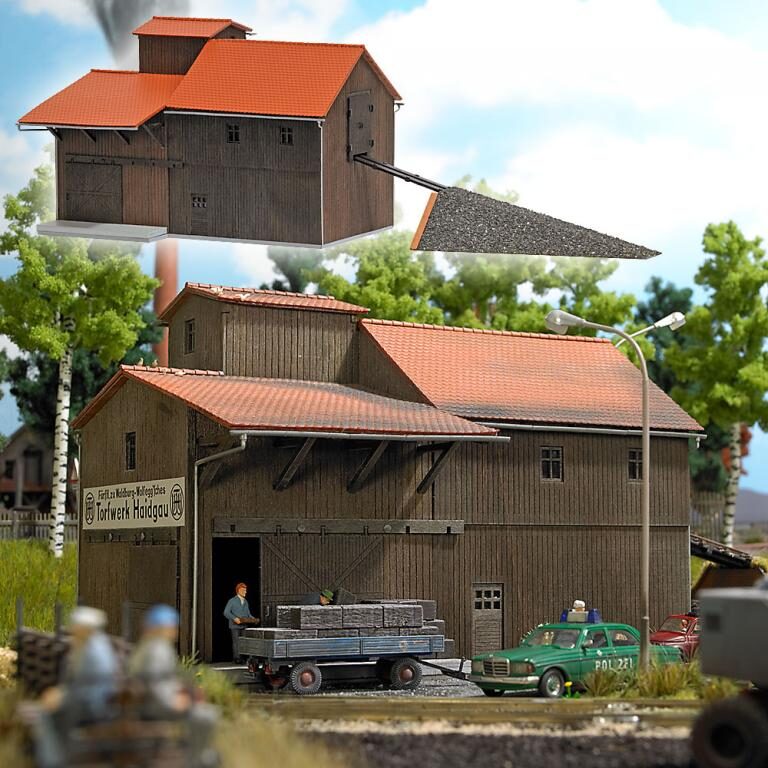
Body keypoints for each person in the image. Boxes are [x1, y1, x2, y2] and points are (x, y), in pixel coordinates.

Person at [127, 604, 218, 768]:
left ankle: (196, 754)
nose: (175, 631)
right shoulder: (158, 650)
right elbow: (156, 683)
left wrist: (182, 690)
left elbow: (165, 679)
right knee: (206, 715)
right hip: (155, 704)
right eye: (172, 626)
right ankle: (196, 758)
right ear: (162, 628)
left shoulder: (151, 647)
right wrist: (174, 701)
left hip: (152, 701)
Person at [34, 606, 119, 768]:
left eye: (77, 627)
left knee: (47, 715)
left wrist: (62, 697)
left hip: (93, 702)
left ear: (85, 629)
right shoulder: (87, 645)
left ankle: (53, 761)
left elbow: (88, 683)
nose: (73, 630)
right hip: (84, 697)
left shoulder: (94, 650)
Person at [223, 582, 258, 663]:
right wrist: (234, 618)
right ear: (239, 590)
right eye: (243, 590)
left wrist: (253, 619)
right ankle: (237, 658)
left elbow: (248, 614)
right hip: (235, 626)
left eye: (245, 590)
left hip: (244, 625)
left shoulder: (245, 602)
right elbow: (226, 612)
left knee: (244, 642)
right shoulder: (232, 601)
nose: (245, 592)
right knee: (236, 642)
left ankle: (243, 657)